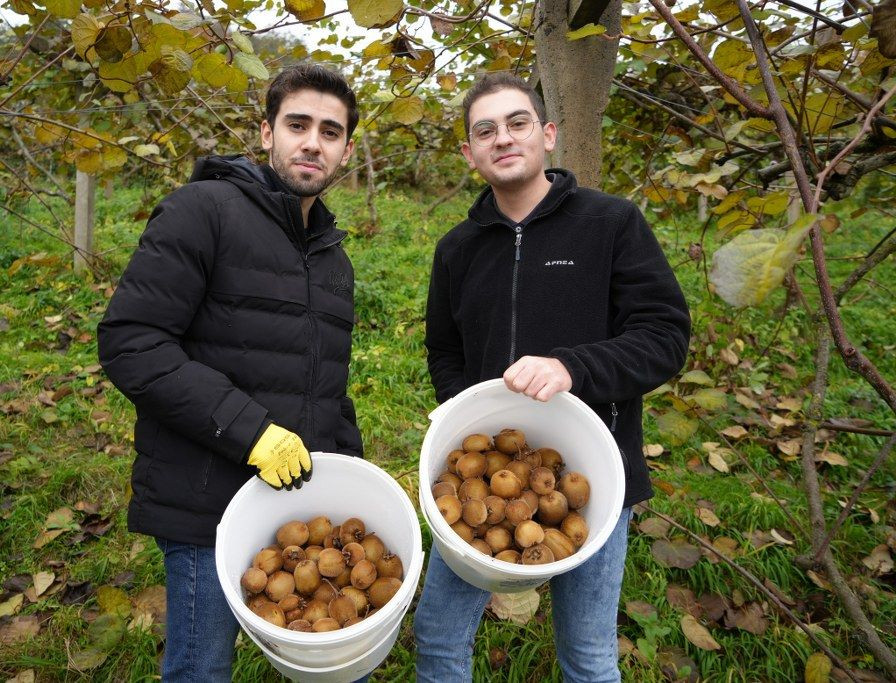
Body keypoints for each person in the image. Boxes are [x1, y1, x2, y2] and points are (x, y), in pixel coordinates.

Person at [414, 72, 691, 682]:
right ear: (469, 153)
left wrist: (573, 366)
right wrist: (464, 415)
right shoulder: (457, 249)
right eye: (484, 130)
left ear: (548, 134)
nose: (502, 138)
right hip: (483, 480)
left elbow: (666, 338)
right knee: (436, 639)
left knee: (589, 656)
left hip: (595, 472)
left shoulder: (611, 225)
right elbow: (445, 350)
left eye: (517, 123)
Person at [98, 63, 364, 681]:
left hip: (293, 509)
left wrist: (350, 471)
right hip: (204, 502)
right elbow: (131, 342)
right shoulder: (204, 211)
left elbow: (324, 384)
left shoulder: (331, 256)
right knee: (203, 668)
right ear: (266, 133)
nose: (312, 142)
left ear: (346, 149)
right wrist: (252, 433)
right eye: (297, 124)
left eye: (330, 131)